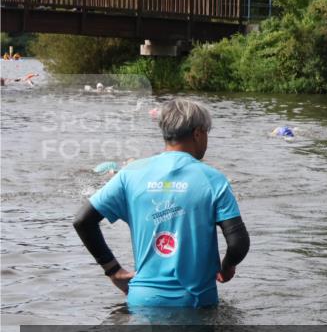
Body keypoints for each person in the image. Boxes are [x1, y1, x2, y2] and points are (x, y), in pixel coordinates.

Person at [73, 99, 250, 308]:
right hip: (194, 304)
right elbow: (238, 242)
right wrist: (227, 266)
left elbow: (83, 220)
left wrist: (113, 270)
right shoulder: (213, 179)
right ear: (198, 133)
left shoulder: (130, 174)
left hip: (141, 301)